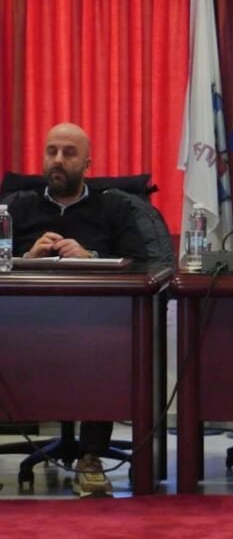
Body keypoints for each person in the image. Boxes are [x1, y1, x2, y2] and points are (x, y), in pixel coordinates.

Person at [5, 123, 147, 496]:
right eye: (51, 151)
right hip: (24, 323)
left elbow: (142, 263)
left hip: (96, 323)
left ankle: (91, 457)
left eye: (69, 153)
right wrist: (26, 256)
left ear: (87, 164)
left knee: (107, 350)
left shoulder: (114, 207)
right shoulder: (18, 208)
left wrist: (91, 257)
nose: (58, 160)